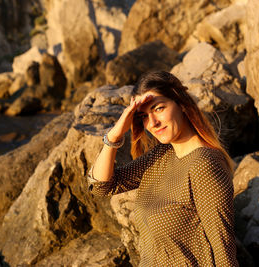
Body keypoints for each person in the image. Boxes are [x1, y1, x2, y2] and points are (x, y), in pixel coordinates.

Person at [87, 71, 238, 266]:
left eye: (158, 108)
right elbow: (101, 186)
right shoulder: (160, 156)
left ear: (181, 104)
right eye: (143, 116)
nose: (153, 123)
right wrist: (114, 136)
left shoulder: (204, 164)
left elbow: (222, 248)